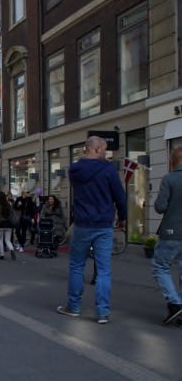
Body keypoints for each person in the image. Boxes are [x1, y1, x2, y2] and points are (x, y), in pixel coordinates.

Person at [57, 135, 126, 324]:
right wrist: (123, 217)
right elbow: (119, 195)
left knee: (76, 266)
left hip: (82, 223)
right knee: (104, 270)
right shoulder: (108, 169)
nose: (106, 153)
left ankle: (74, 306)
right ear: (96, 149)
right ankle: (103, 312)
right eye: (104, 149)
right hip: (103, 224)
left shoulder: (74, 169)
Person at [152, 146, 182, 326]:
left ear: (172, 161)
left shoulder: (169, 179)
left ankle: (174, 303)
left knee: (160, 266)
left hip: (171, 232)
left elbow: (160, 207)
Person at [0, 191, 16, 260]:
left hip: (0, 224)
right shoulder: (8, 204)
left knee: (0, 240)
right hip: (8, 224)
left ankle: (2, 255)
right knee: (7, 240)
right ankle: (12, 249)